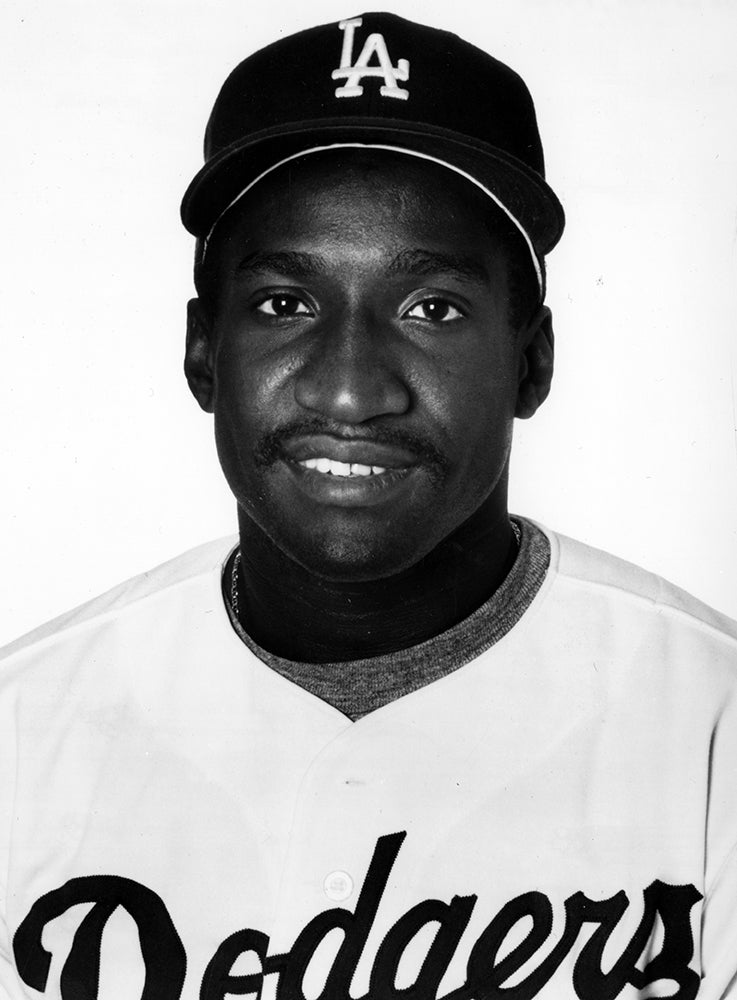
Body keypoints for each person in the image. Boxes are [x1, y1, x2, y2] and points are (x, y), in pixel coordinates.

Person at [1, 11, 736, 999]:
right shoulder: (23, 729)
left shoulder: (709, 727)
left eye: (429, 309)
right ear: (201, 352)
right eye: (283, 305)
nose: (350, 392)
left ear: (531, 361)